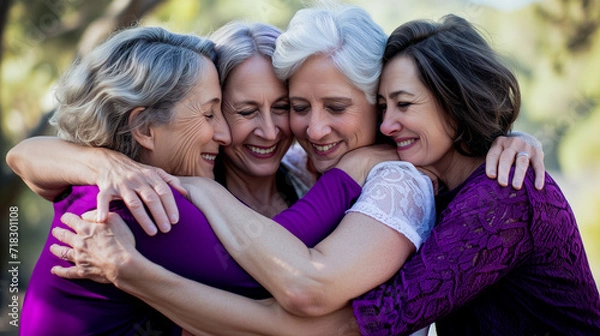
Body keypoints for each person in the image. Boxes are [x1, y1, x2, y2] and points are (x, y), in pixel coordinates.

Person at [46, 6, 558, 336]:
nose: (303, 131)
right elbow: (30, 157)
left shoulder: (388, 178)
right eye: (242, 111)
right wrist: (97, 159)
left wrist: (501, 138)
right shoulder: (171, 187)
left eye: (336, 107)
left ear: (375, 103)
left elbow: (307, 289)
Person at [11, 25, 377, 336]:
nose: (222, 133)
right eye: (211, 113)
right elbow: (273, 259)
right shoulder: (135, 204)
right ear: (144, 128)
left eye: (282, 107)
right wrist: (355, 169)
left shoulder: (104, 184)